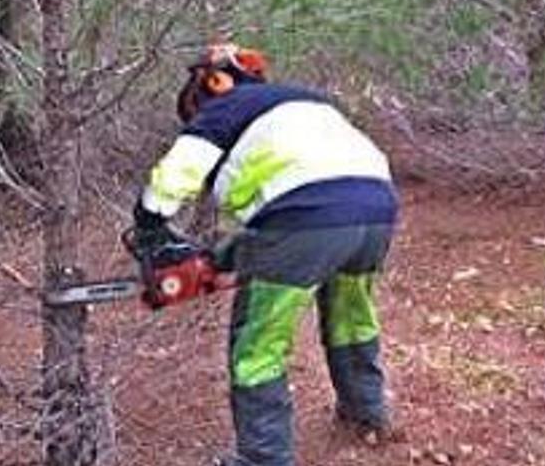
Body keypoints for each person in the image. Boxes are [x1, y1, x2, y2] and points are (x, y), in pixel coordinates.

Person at [132, 43, 399, 466]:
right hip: (376, 209)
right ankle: (367, 413)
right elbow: (273, 226)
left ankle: (263, 458)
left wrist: (148, 222)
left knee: (259, 345)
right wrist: (219, 261)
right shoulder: (308, 104)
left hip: (304, 216)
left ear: (216, 83)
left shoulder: (226, 107)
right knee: (352, 318)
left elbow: (181, 169)